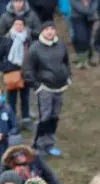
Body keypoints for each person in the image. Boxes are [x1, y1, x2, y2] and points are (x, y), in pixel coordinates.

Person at [24, 21, 71, 156]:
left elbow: (66, 62)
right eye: (47, 29)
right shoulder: (35, 48)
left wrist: (67, 76)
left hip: (59, 87)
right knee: (43, 117)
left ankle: (50, 144)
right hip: (44, 88)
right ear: (42, 32)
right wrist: (37, 86)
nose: (50, 32)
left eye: (52, 29)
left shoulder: (61, 45)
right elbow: (28, 69)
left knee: (54, 117)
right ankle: (37, 146)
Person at [0, 17, 32, 126]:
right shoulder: (6, 40)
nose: (18, 27)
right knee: (12, 98)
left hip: (25, 72)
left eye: (21, 24)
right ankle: (12, 120)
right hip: (11, 72)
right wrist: (4, 68)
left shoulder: (28, 40)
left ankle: (26, 119)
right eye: (16, 24)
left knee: (25, 97)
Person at [70, 0, 99, 69]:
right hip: (77, 16)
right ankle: (82, 59)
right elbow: (73, 1)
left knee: (88, 37)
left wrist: (92, 9)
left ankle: (88, 58)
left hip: (90, 16)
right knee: (81, 37)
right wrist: (85, 10)